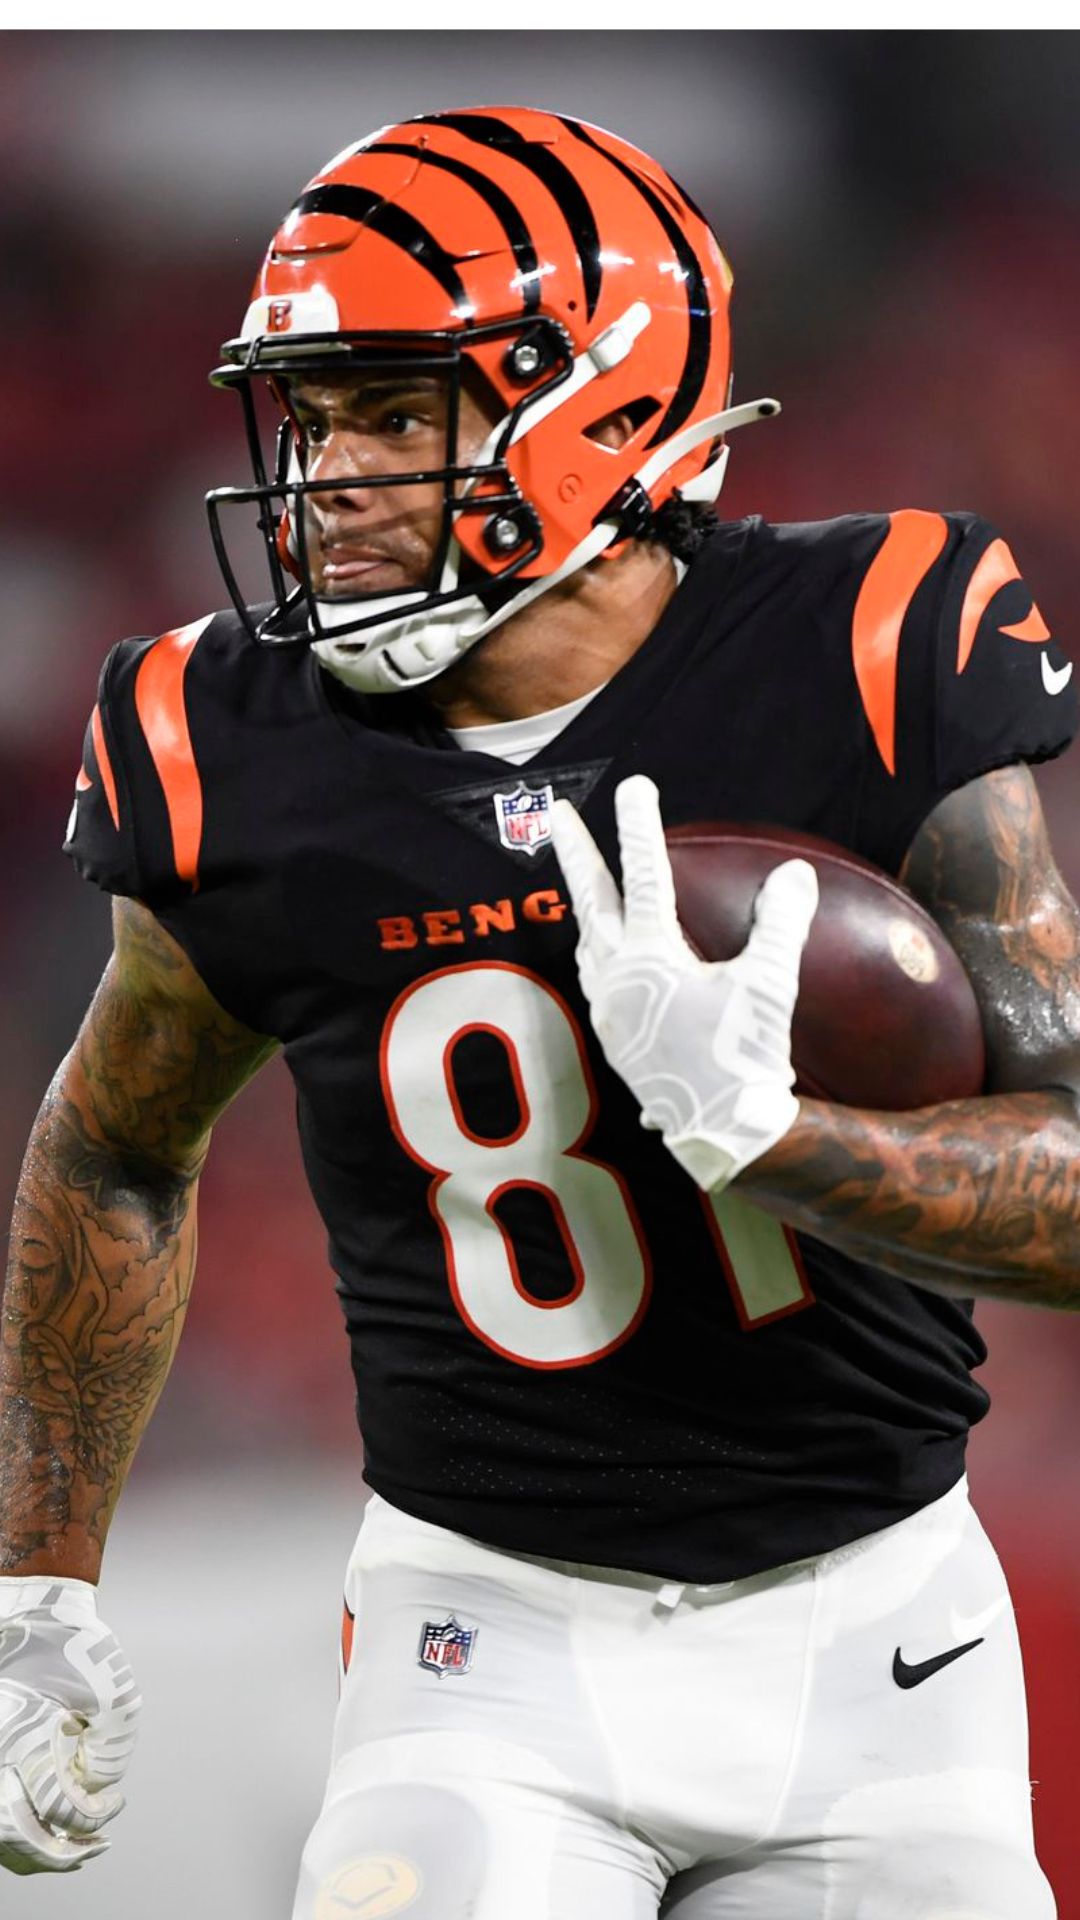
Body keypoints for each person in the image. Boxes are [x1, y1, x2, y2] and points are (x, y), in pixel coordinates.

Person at [1, 105, 1077, 1917]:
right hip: (486, 1645)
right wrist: (39, 1583)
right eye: (314, 415)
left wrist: (772, 1141)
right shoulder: (227, 741)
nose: (326, 479)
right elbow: (113, 1148)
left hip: (887, 1641)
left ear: (599, 407)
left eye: (396, 413)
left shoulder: (874, 641)